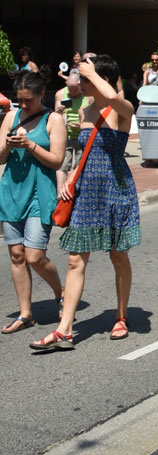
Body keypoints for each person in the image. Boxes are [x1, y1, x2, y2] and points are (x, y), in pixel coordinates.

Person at [31, 55, 140, 350]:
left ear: (100, 78)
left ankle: (121, 315)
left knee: (118, 255)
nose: (80, 81)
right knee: (76, 258)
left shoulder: (122, 108)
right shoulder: (84, 112)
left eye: (86, 77)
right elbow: (84, 152)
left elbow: (114, 98)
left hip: (115, 189)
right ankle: (64, 330)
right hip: (87, 190)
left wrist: (95, 72)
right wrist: (71, 178)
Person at [0, 67, 66, 334]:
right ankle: (26, 313)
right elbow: (0, 158)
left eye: (29, 99)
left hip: (40, 192)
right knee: (17, 255)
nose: (24, 104)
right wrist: (8, 144)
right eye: (20, 100)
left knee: (35, 256)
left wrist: (31, 146)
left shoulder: (53, 120)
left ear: (42, 94)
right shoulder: (11, 117)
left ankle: (61, 292)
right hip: (12, 191)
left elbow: (57, 160)